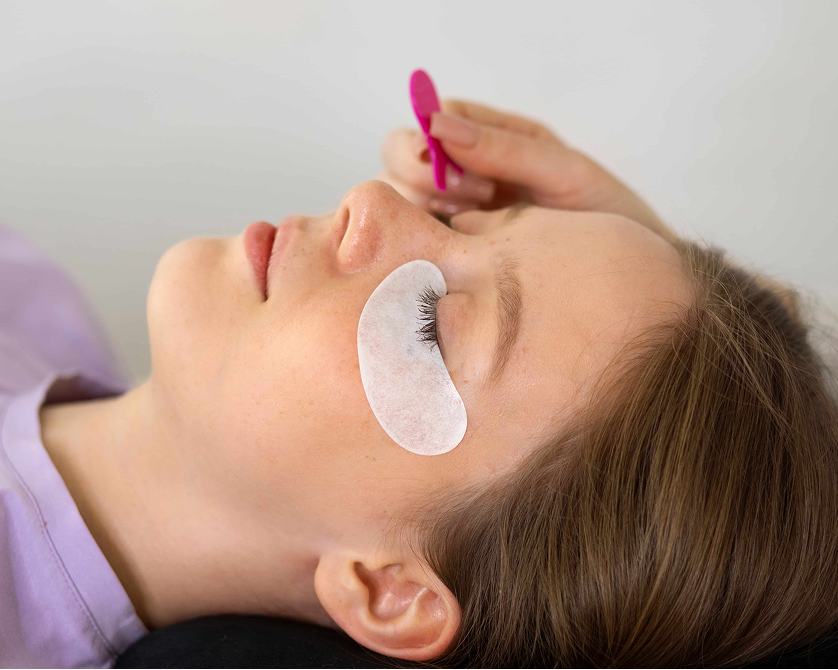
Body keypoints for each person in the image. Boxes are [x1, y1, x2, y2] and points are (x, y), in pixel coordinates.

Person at [1, 98, 836, 670]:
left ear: (389, 591)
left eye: (429, 321)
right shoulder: (33, 308)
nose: (371, 200)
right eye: (450, 221)